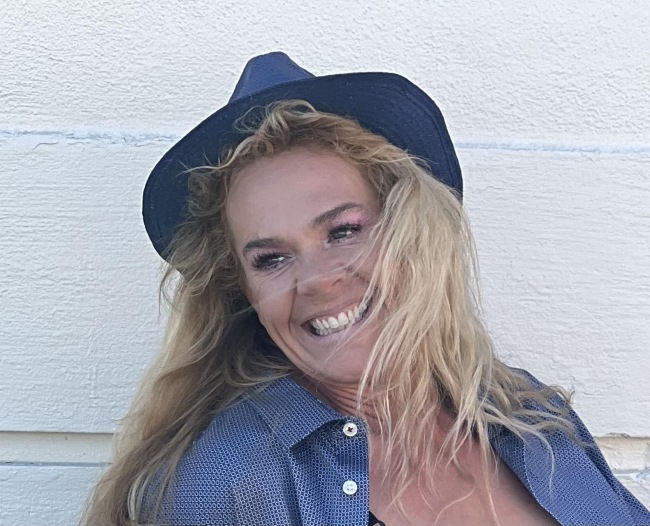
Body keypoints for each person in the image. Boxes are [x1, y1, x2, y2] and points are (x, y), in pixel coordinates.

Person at [82, 52, 650, 526]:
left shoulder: (528, 413)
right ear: (244, 294)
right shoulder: (224, 486)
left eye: (343, 231)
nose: (318, 279)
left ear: (411, 231)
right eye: (271, 258)